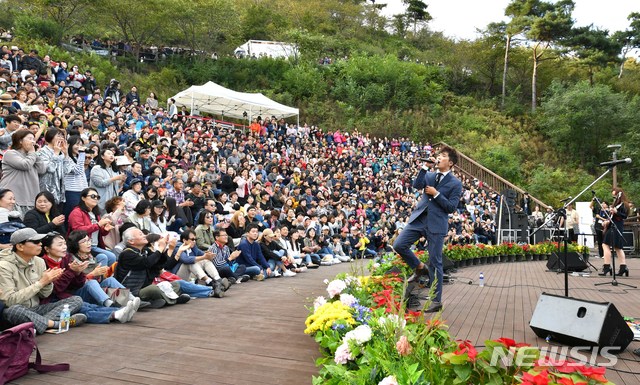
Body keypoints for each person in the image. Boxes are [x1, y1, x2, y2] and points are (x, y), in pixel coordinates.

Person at [392, 146, 462, 313]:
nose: (438, 157)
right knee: (399, 245)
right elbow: (417, 185)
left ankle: (436, 301)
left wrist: (436, 194)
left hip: (436, 224)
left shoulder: (455, 183)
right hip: (419, 219)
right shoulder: (429, 175)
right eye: (438, 155)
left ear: (450, 162)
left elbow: (451, 207)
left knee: (436, 261)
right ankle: (419, 267)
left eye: (443, 156)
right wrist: (425, 168)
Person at [0, 228, 87, 334]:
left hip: (37, 309)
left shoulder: (39, 261)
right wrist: (41, 283)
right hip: (18, 311)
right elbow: (9, 301)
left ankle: (37, 325)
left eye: (40, 241)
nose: (40, 244)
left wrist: (48, 282)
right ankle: (57, 324)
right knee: (12, 311)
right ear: (20, 246)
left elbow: (44, 295)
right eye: (36, 242)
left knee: (76, 300)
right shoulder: (4, 266)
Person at [39, 233, 138, 324]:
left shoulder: (66, 258)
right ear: (47, 249)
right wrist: (76, 272)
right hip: (60, 298)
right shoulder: (43, 263)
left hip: (74, 293)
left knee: (104, 285)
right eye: (60, 245)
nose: (64, 247)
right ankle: (115, 311)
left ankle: (130, 301)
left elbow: (78, 284)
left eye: (64, 244)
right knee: (87, 306)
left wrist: (78, 272)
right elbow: (55, 290)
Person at [115, 228, 188, 308]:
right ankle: (174, 300)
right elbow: (146, 263)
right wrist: (159, 249)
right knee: (153, 289)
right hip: (132, 291)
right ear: (131, 241)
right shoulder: (126, 254)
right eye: (140, 234)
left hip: (145, 287)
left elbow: (160, 265)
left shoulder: (145, 251)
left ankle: (154, 301)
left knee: (176, 284)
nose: (144, 236)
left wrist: (164, 248)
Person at [165, 229, 227, 298]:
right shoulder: (178, 246)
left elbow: (202, 254)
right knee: (190, 262)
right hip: (177, 276)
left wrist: (208, 255)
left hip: (191, 274)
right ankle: (211, 283)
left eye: (195, 239)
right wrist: (203, 257)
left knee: (205, 260)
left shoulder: (193, 246)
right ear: (184, 240)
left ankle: (218, 280)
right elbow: (185, 259)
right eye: (192, 239)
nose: (194, 241)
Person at [0, 129, 46, 217]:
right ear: (20, 141)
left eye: (33, 139)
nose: (33, 141)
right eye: (29, 138)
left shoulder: (31, 155)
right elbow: (25, 165)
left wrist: (35, 154)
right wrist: (32, 153)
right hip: (14, 199)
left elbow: (42, 169)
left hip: (30, 198)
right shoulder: (10, 154)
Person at [67, 187, 116, 267]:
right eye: (93, 196)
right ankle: (98, 277)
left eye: (98, 197)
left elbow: (99, 232)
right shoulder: (76, 212)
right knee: (110, 256)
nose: (96, 199)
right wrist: (98, 225)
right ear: (83, 198)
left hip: (94, 245)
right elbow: (77, 230)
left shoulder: (95, 213)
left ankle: (101, 276)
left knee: (110, 257)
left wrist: (105, 230)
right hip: (80, 246)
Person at [36, 128, 75, 210]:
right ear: (50, 137)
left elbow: (67, 170)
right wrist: (56, 154)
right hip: (46, 191)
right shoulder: (42, 152)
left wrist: (66, 154)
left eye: (62, 136)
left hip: (60, 193)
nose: (61, 138)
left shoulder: (61, 152)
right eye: (58, 135)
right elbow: (50, 168)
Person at [599, 188, 630, 277]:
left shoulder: (623, 205)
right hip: (614, 226)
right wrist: (607, 221)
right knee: (618, 247)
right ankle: (623, 267)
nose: (614, 198)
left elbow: (624, 216)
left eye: (615, 196)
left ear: (619, 195)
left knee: (605, 244)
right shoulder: (617, 204)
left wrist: (616, 212)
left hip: (616, 227)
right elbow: (613, 217)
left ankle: (607, 266)